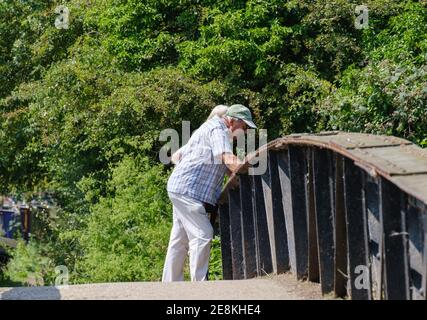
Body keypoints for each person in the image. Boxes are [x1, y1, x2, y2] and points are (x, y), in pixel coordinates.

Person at [162, 104, 257, 282]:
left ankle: (170, 284)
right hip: (188, 191)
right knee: (202, 234)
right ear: (233, 121)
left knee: (179, 240)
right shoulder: (217, 129)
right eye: (244, 127)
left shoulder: (212, 129)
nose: (244, 132)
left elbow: (220, 163)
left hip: (182, 188)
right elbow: (227, 158)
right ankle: (199, 286)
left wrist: (236, 173)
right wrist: (247, 171)